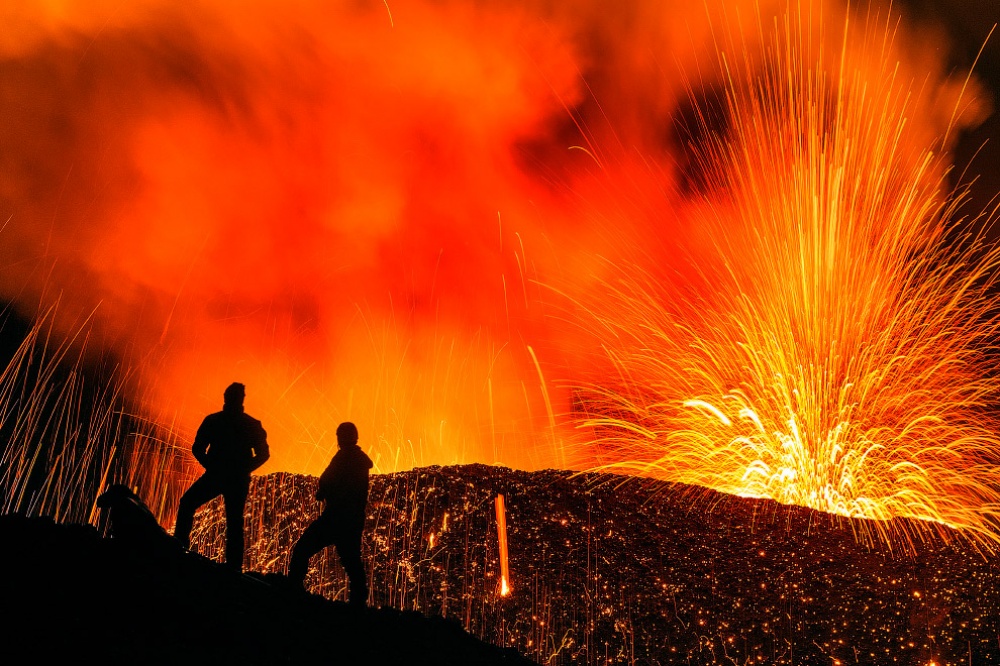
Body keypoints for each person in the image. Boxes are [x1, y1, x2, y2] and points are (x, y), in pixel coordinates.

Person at [173, 382, 269, 572]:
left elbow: (198, 449)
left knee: (189, 504)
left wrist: (213, 466)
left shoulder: (216, 421)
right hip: (233, 478)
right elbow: (263, 454)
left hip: (221, 476)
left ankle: (179, 549)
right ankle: (233, 567)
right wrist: (243, 469)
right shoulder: (249, 424)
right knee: (234, 520)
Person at [288, 421, 373, 607]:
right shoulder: (358, 460)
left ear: (342, 437)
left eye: (339, 436)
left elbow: (330, 479)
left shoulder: (344, 458)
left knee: (302, 549)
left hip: (335, 518)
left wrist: (324, 492)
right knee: (352, 562)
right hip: (352, 520)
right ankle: (358, 605)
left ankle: (292, 593)